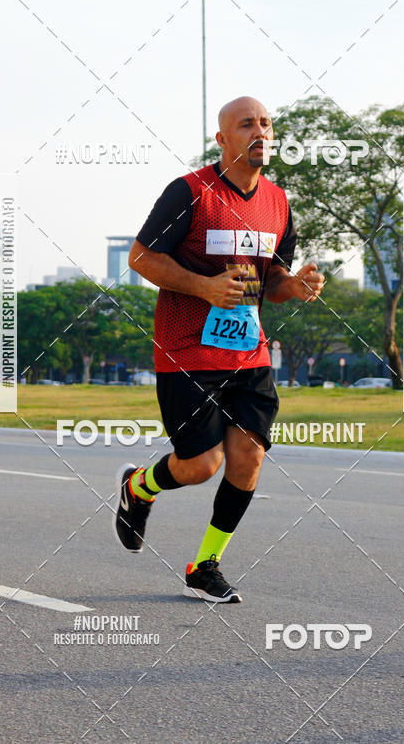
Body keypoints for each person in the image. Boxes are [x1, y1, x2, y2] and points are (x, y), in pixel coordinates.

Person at [115, 96, 325, 603]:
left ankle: (205, 564)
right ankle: (138, 487)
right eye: (247, 123)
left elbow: (270, 278)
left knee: (248, 457)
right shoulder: (189, 193)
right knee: (200, 466)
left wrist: (293, 286)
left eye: (266, 124)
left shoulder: (278, 202)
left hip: (248, 352)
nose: (260, 131)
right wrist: (204, 287)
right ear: (222, 138)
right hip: (187, 350)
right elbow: (141, 257)